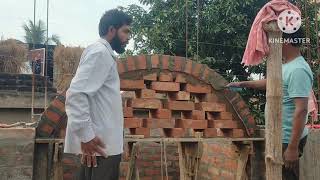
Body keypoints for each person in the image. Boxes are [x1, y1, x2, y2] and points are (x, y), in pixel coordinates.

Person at [227, 28, 312, 180]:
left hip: (288, 139)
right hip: (281, 136)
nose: (270, 45)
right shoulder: (287, 66)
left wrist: (292, 148)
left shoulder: (298, 69)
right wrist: (243, 83)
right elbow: (271, 82)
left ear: (285, 41)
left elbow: (302, 110)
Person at [64, 9, 132, 180]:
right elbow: (76, 94)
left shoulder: (103, 53)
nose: (128, 37)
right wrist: (86, 137)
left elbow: (94, 93)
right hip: (101, 148)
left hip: (102, 146)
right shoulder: (99, 53)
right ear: (112, 30)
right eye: (125, 31)